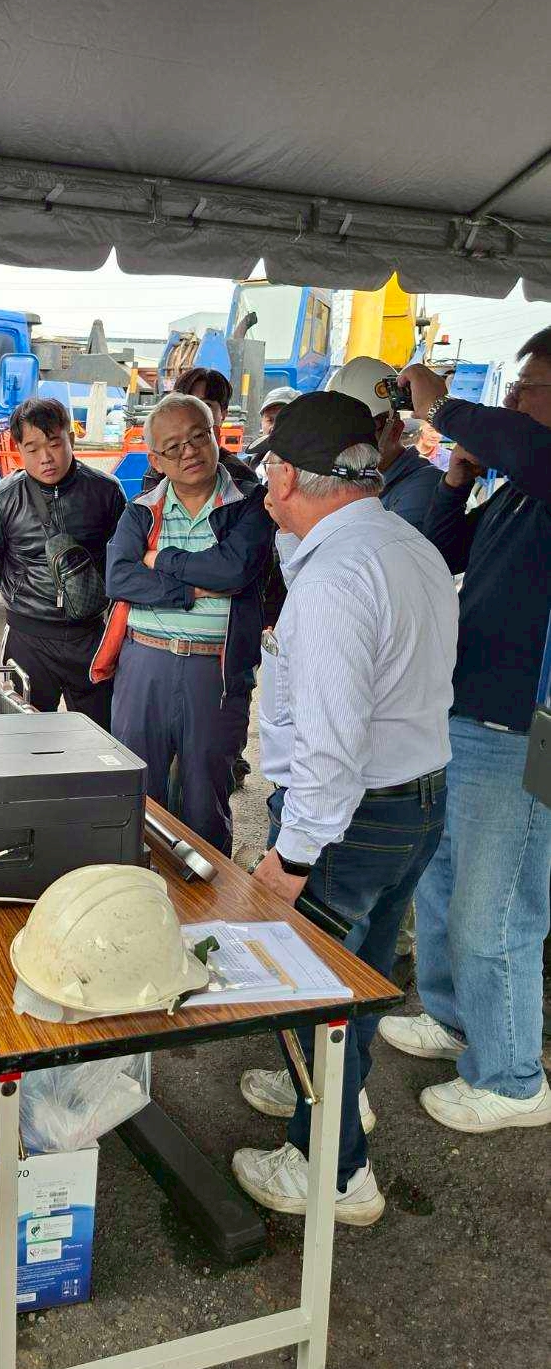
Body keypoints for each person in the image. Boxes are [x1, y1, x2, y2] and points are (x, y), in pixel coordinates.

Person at [232, 391, 457, 1225]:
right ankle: (332, 1096)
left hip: (350, 819)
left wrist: (288, 859)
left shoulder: (335, 579)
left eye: (269, 473)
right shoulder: (406, 544)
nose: (264, 489)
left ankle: (334, 1170)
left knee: (313, 991)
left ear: (291, 476)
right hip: (416, 800)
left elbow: (330, 749)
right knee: (358, 977)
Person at [378, 336, 551, 1133]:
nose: (511, 401)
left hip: (521, 731)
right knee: (442, 884)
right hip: (464, 715)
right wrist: (455, 476)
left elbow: (518, 439)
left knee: (496, 910)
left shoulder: (541, 468)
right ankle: (454, 1019)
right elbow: (438, 547)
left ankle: (512, 1078)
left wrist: (440, 405)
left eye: (527, 386)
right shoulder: (519, 491)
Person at [101, 393, 272, 854]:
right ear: (155, 459)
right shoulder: (142, 509)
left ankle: (207, 894)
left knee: (205, 800)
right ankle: (137, 886)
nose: (189, 452)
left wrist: (159, 559)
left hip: (214, 671)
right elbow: (119, 578)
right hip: (144, 663)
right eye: (173, 447)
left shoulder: (250, 504)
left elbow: (233, 570)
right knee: (136, 793)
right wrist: (191, 590)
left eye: (198, 437)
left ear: (216, 439)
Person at [0, 396, 125, 726]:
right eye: (32, 448)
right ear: (19, 449)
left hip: (90, 638)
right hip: (28, 640)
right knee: (25, 737)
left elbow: (121, 559)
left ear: (71, 438)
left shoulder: (106, 492)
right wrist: (19, 590)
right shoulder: (1, 499)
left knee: (101, 736)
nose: (46, 458)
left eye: (54, 444)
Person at [327, 356, 440, 533]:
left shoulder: (424, 485)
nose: (345, 440)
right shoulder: (345, 477)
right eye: (338, 429)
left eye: (360, 429)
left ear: (395, 429)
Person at [142, 368, 255, 492]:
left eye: (206, 404)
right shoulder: (156, 472)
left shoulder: (243, 478)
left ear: (223, 414)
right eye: (186, 403)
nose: (195, 411)